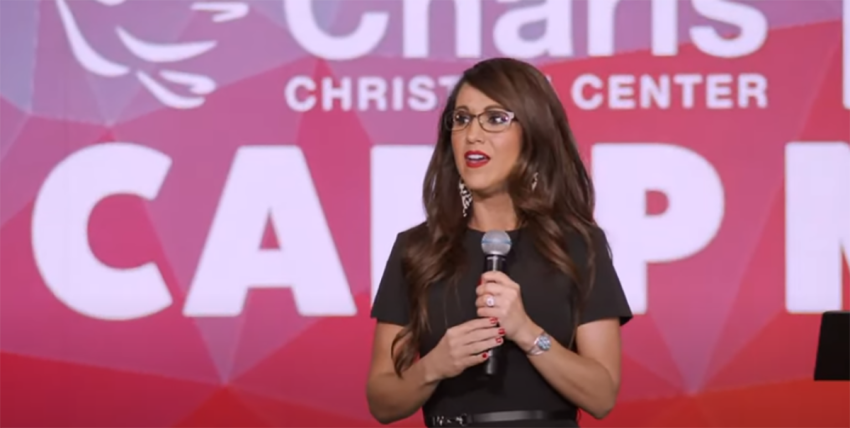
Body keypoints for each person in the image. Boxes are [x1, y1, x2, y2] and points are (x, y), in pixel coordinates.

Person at [365, 57, 633, 428]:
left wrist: (526, 332)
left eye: (495, 118)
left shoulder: (577, 247)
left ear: (533, 133)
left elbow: (602, 396)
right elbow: (382, 401)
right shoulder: (417, 249)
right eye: (461, 118)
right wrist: (434, 366)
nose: (472, 134)